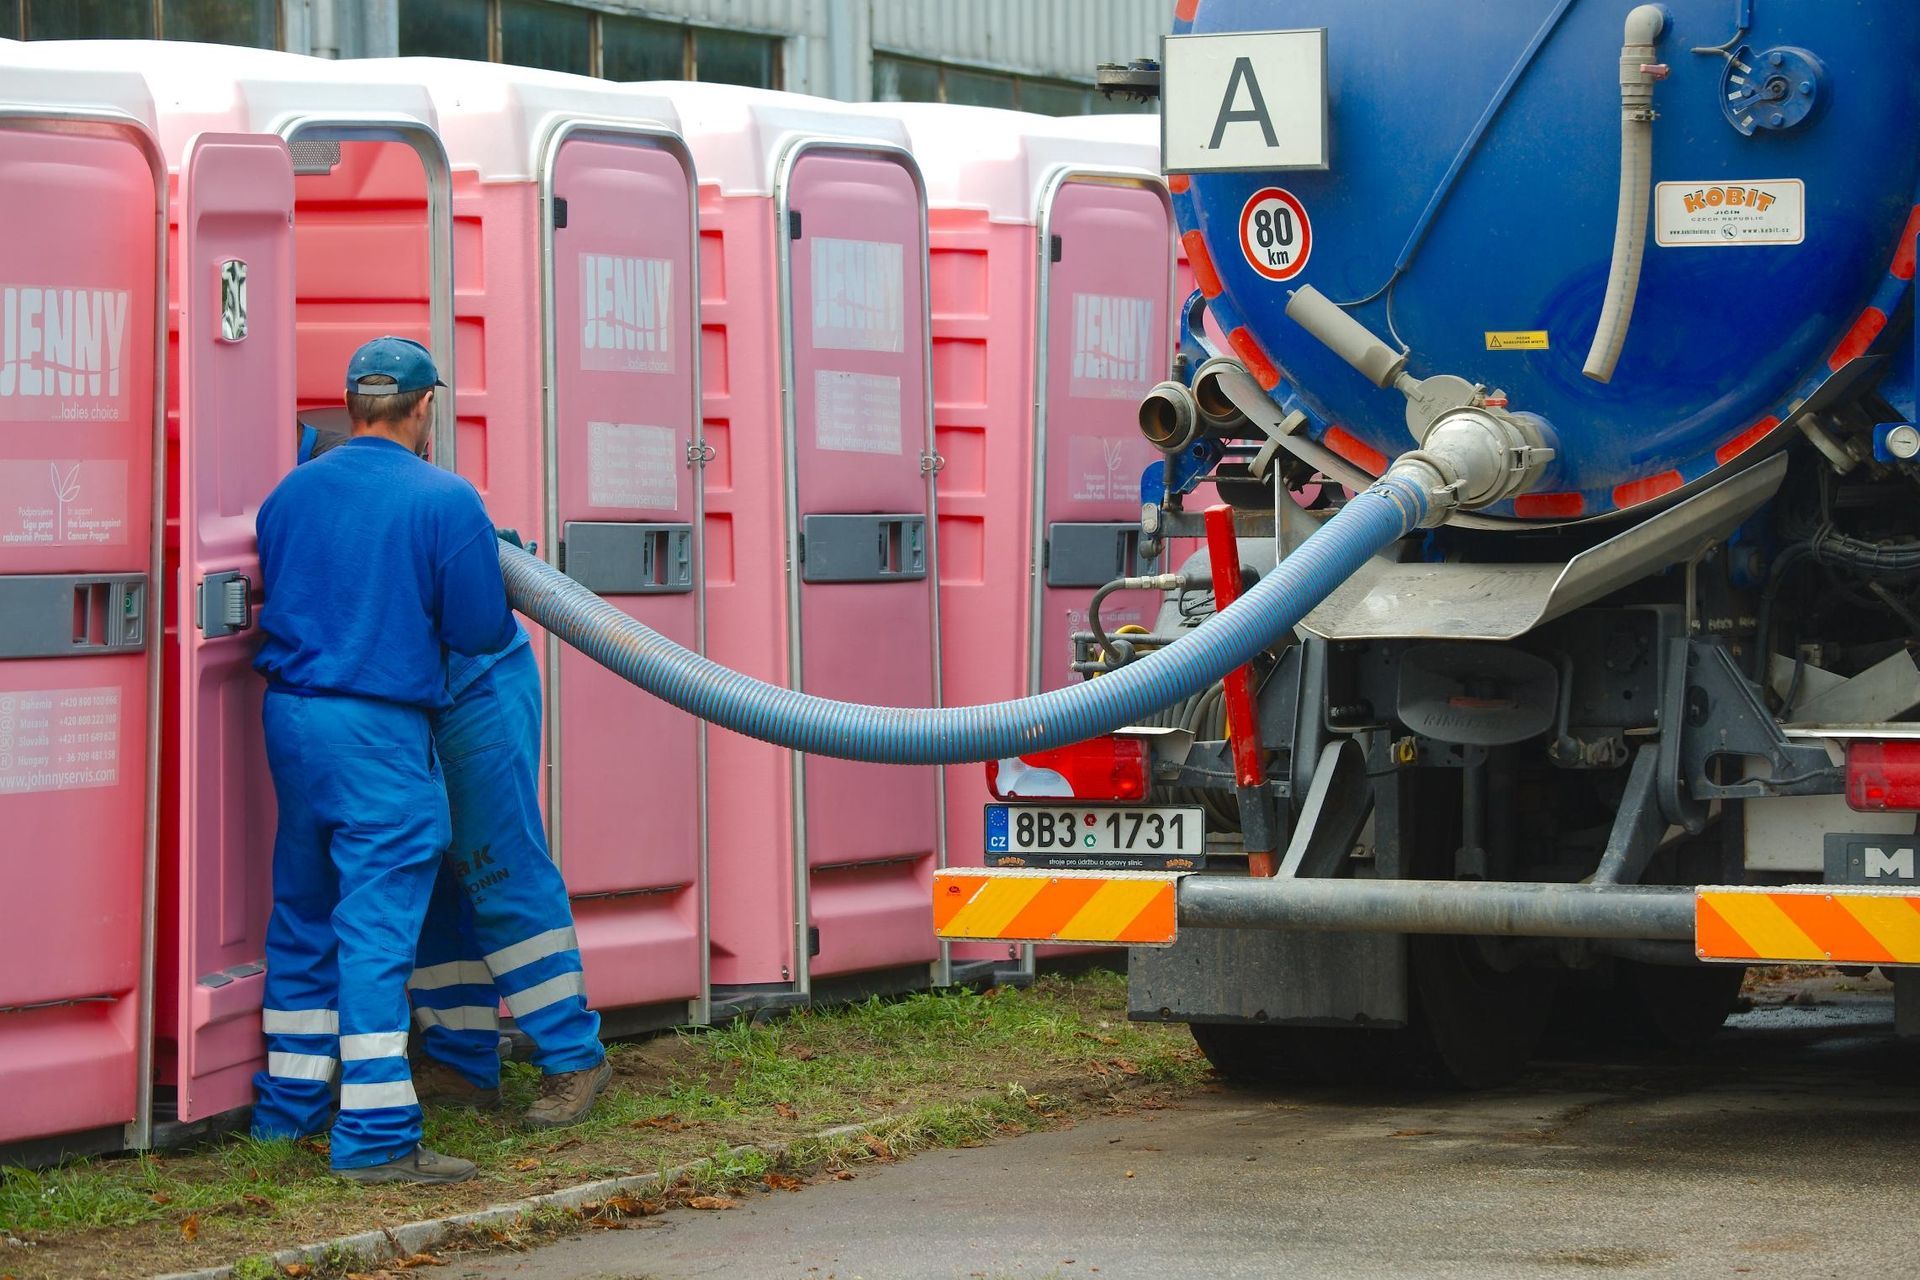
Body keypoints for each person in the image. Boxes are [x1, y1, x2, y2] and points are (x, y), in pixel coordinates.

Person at [293, 421, 611, 1129]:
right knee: (432, 875)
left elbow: (477, 626)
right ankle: (464, 1063)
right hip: (413, 700)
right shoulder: (307, 467)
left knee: (496, 868)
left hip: (473, 688)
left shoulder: (334, 471)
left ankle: (573, 1058)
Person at [251, 337, 516, 1183]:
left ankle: (285, 1112)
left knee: (302, 910)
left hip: (292, 722)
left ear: (351, 403)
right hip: (379, 733)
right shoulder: (446, 499)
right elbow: (480, 631)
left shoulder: (289, 494)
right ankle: (374, 1138)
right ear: (425, 406)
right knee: (375, 929)